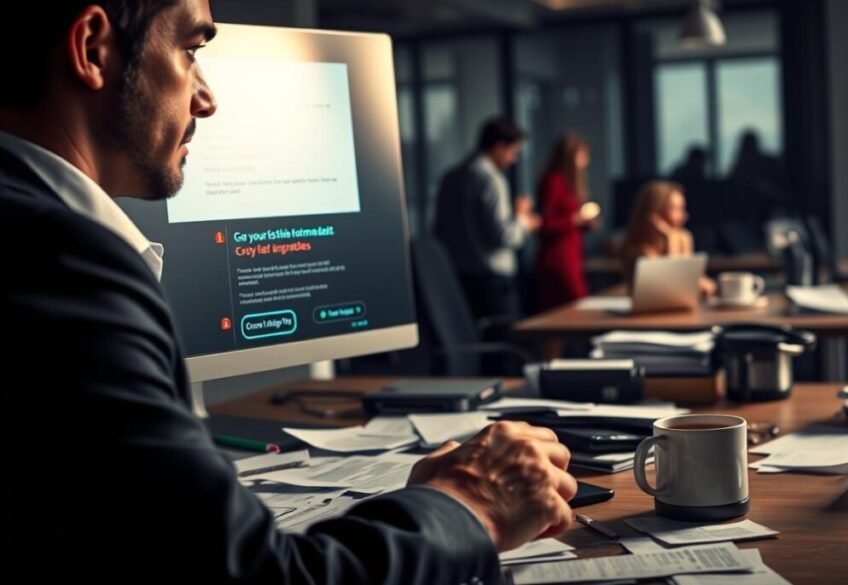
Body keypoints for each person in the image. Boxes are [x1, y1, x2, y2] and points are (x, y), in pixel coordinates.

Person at [0, 3, 575, 583]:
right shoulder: (59, 261)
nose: (206, 99)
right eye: (191, 51)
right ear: (93, 49)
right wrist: (470, 503)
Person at [433, 117, 541, 320]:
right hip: (493, 283)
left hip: (459, 277)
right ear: (499, 146)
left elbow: (438, 230)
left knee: (474, 341)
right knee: (502, 344)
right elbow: (504, 236)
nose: (514, 159)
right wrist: (524, 219)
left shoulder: (450, 176)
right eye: (513, 152)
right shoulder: (491, 179)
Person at [535, 133, 599, 310]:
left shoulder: (568, 183)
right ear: (570, 156)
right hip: (558, 259)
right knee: (571, 308)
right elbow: (544, 224)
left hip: (572, 255)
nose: (586, 161)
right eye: (583, 155)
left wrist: (585, 224)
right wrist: (576, 219)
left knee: (575, 307)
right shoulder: (553, 182)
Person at [620, 180, 717, 295]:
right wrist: (670, 238)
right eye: (675, 209)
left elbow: (691, 282)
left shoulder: (683, 237)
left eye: (682, 208)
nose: (684, 216)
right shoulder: (638, 250)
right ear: (654, 213)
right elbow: (672, 287)